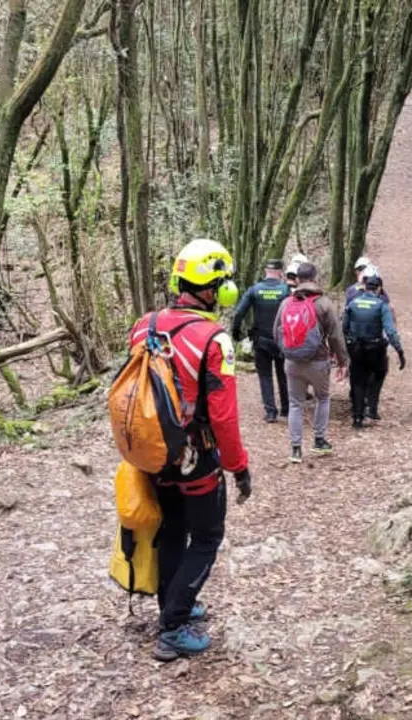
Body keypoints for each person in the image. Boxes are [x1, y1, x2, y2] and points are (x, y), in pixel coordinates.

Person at [129, 238, 252, 661]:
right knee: (207, 536)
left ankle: (174, 604)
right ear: (214, 288)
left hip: (153, 452)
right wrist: (239, 466)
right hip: (196, 456)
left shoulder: (144, 325)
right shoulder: (215, 339)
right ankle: (174, 626)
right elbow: (223, 416)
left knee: (173, 530)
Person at [273, 262, 349, 463]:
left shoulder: (286, 303)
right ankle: (319, 441)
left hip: (292, 362)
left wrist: (288, 352)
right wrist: (343, 361)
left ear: (297, 279)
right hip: (318, 361)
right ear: (315, 278)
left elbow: (276, 332)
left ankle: (295, 449)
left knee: (295, 404)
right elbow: (335, 336)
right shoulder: (323, 303)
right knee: (322, 399)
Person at [344, 268, 405, 428]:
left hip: (356, 348)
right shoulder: (381, 305)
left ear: (365, 287)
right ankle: (372, 407)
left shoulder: (352, 303)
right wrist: (399, 351)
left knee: (357, 381)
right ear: (378, 288)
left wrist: (345, 348)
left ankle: (357, 418)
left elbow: (344, 327)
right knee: (379, 374)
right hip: (375, 348)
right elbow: (390, 331)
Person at [232, 259, 290, 423]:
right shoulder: (286, 290)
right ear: (280, 272)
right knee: (283, 374)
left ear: (265, 271)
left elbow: (239, 313)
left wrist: (236, 332)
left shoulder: (254, 290)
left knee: (265, 376)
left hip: (261, 340)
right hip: (281, 339)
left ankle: (271, 411)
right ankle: (286, 409)